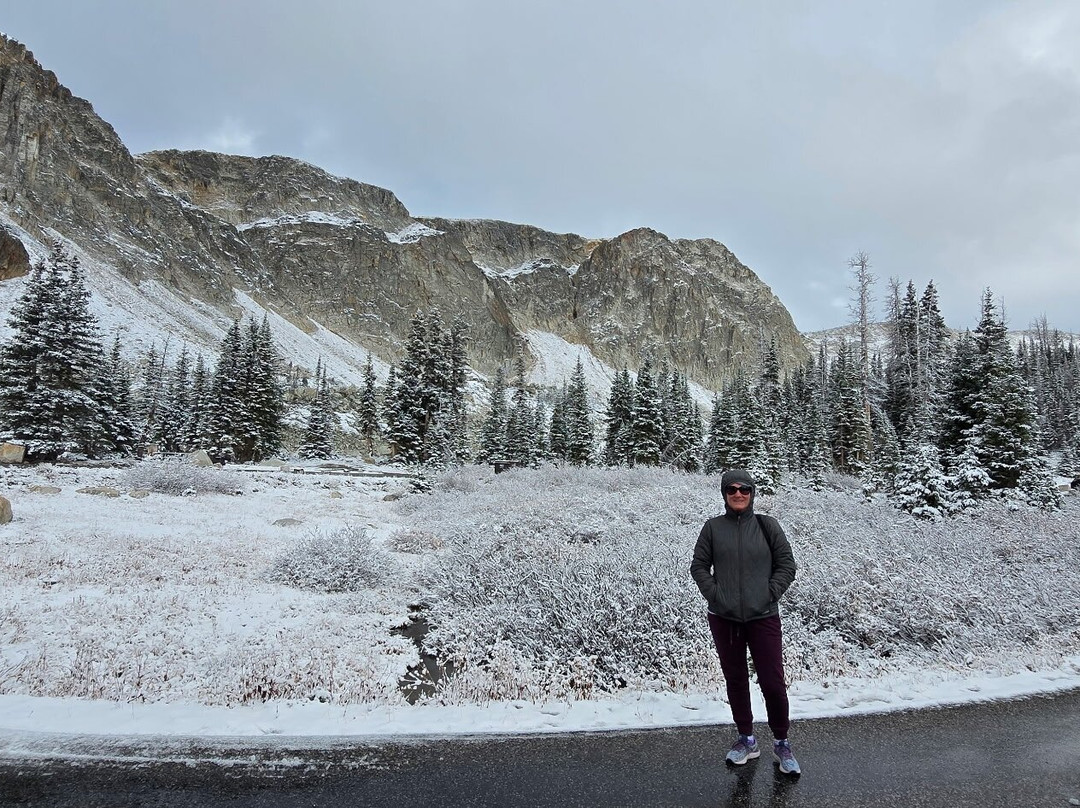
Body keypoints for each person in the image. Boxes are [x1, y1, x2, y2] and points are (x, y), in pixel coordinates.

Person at [690, 468, 801, 775]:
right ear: (724, 494)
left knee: (772, 682)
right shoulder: (713, 528)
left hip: (763, 616)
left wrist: (769, 594)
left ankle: (782, 743)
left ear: (752, 493)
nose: (738, 494)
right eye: (731, 489)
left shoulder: (768, 526)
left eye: (744, 489)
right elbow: (699, 566)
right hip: (724, 618)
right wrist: (716, 595)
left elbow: (787, 566)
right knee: (736, 680)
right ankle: (747, 739)